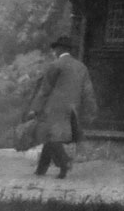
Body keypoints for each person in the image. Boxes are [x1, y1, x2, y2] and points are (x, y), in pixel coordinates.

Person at [25, 35, 97, 179]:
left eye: (55, 49)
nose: (54, 52)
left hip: (53, 108)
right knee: (51, 137)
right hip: (72, 108)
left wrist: (35, 109)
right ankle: (41, 169)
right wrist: (92, 109)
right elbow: (88, 91)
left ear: (59, 49)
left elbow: (45, 90)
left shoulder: (55, 65)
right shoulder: (81, 67)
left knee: (50, 136)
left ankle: (65, 162)